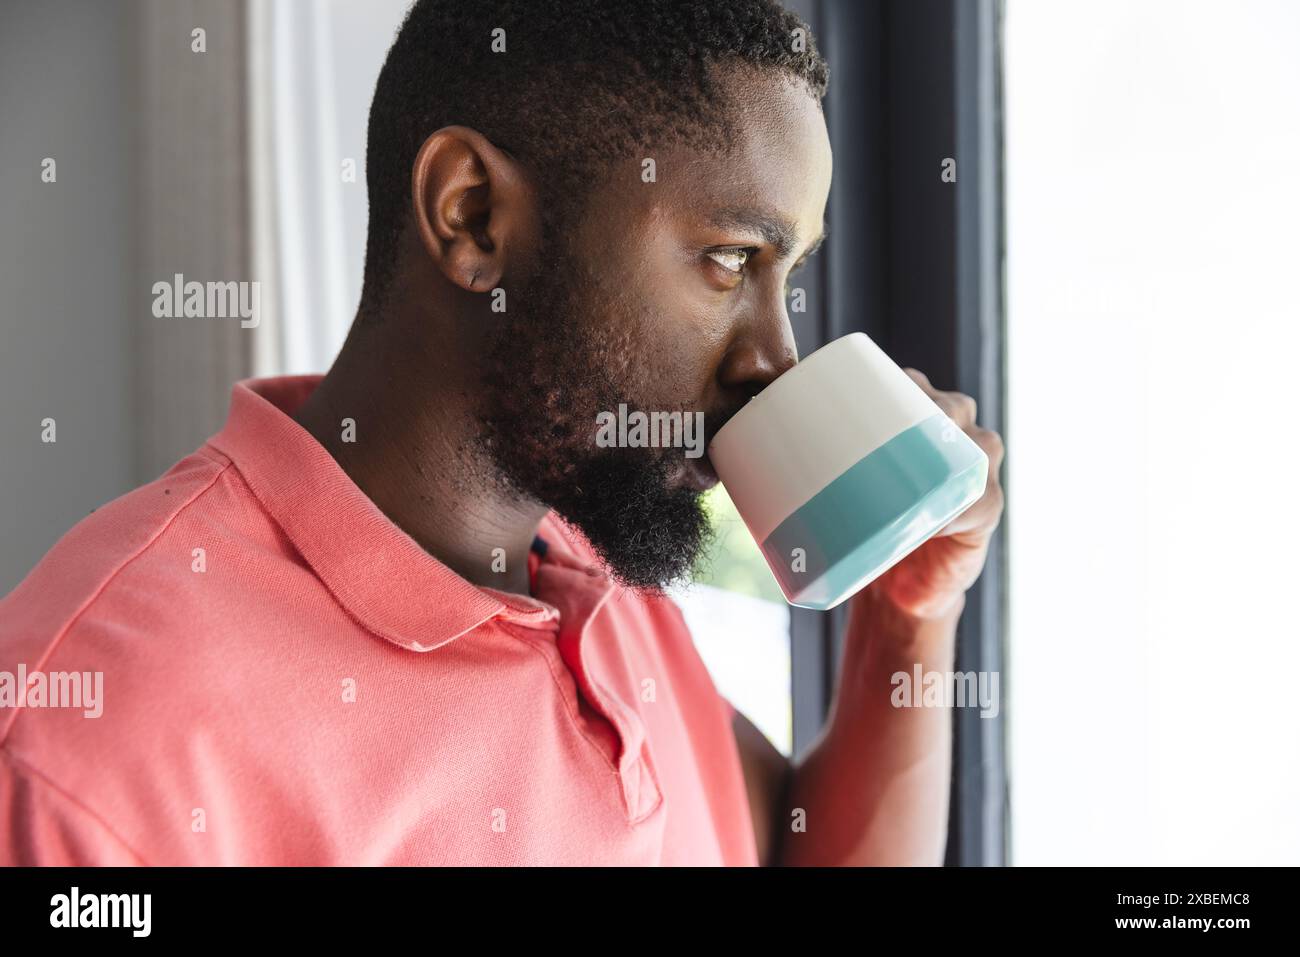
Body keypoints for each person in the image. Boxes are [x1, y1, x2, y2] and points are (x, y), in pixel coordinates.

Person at [0, 0, 1004, 865]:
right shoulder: (95, 734)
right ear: (473, 215)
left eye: (790, 277)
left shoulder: (578, 560)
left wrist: (907, 619)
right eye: (730, 259)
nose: (774, 360)